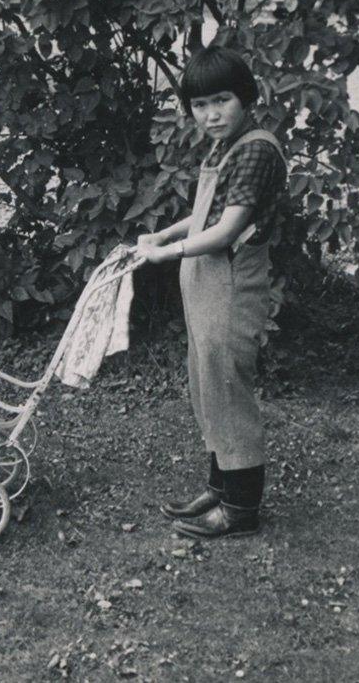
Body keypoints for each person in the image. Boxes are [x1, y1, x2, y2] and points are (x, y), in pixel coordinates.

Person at [135, 45, 288, 538]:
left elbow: (226, 232)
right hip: (205, 283)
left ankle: (241, 510)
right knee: (207, 387)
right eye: (199, 105)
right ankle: (219, 489)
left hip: (231, 283)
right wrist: (165, 234)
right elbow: (205, 218)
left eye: (221, 100)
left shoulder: (256, 150)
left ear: (246, 97)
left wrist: (167, 255)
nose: (211, 114)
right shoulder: (224, 146)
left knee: (228, 391)